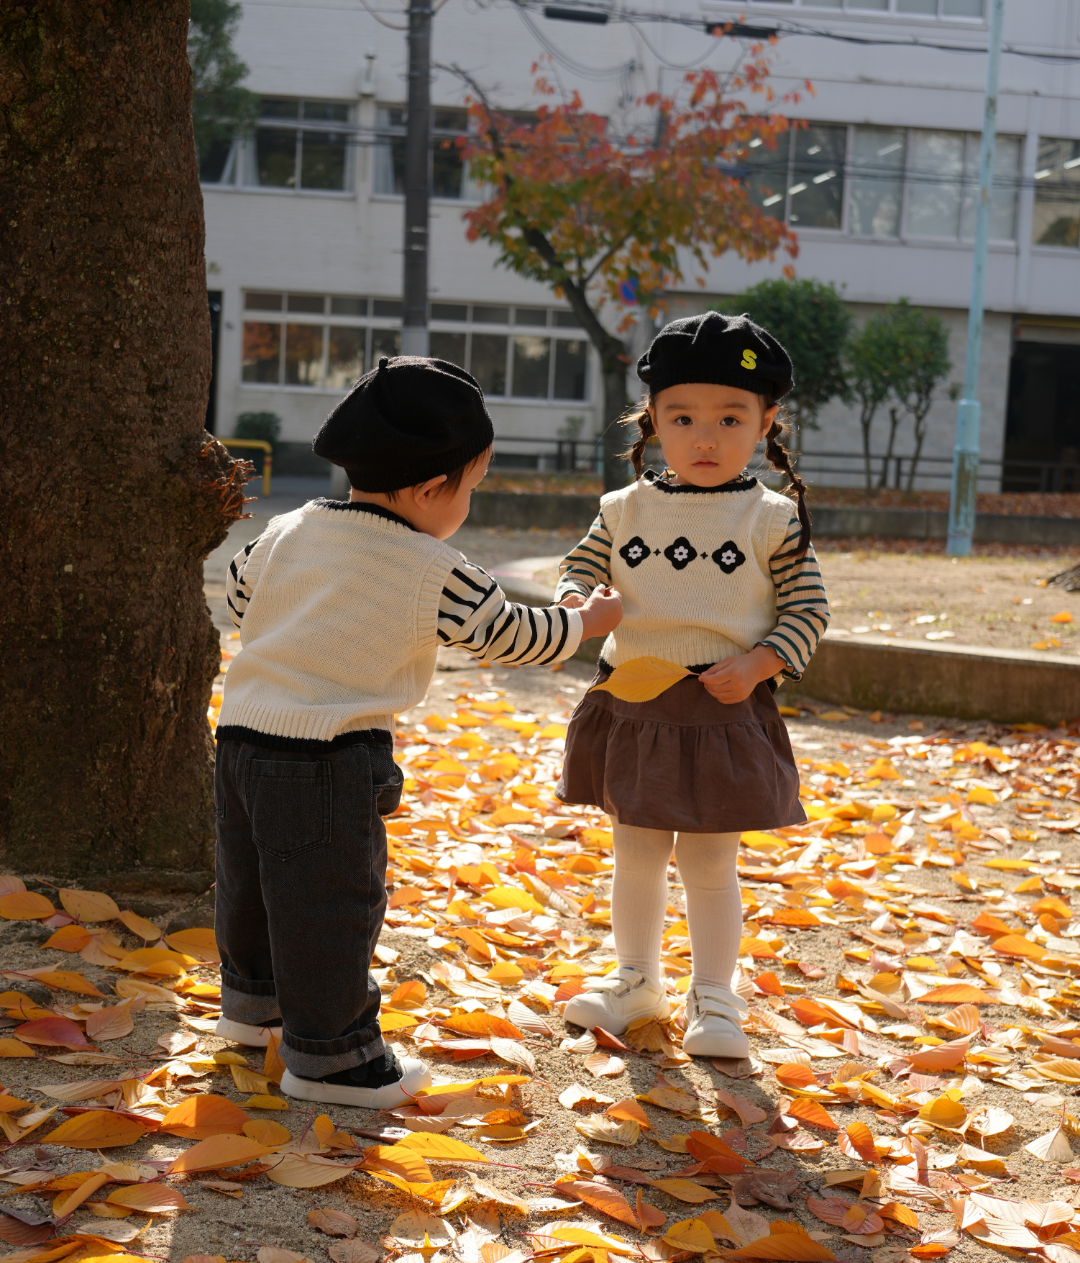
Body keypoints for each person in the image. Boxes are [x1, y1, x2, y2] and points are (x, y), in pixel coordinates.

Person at [214, 356, 622, 1108]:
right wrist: (585, 623)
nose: (467, 504)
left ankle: (253, 1007)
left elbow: (241, 596)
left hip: (240, 738)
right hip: (327, 757)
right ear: (436, 488)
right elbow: (509, 635)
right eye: (472, 488)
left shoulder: (289, 529)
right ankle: (333, 1058)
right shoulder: (433, 566)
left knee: (253, 884)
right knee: (331, 900)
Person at [554, 312, 830, 1058]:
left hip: (722, 706)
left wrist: (760, 663)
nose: (705, 438)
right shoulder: (623, 508)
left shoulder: (774, 519)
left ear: (767, 422)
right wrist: (581, 607)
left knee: (710, 860)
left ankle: (715, 997)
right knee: (636, 850)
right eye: (683, 418)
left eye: (730, 418)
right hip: (635, 704)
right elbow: (579, 572)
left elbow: (810, 610)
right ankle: (636, 979)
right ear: (654, 420)